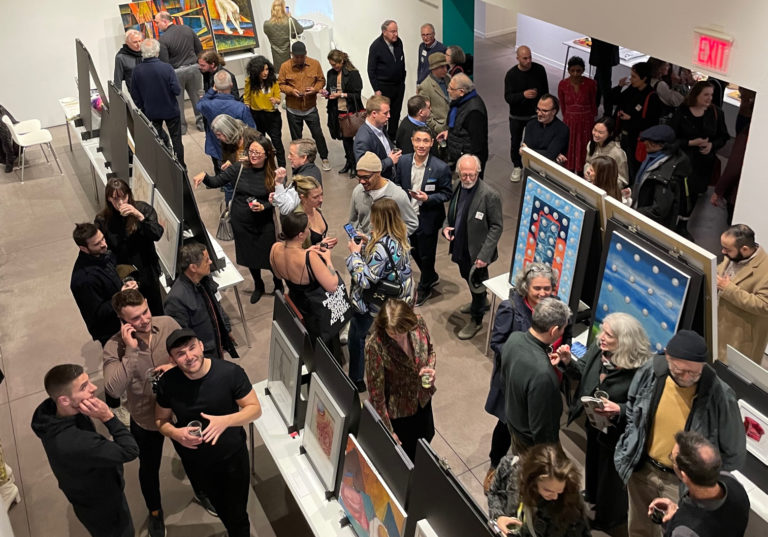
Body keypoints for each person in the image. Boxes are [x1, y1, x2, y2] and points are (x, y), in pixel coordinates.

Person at [614, 330, 746, 537]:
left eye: (694, 373)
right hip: (641, 470)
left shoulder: (720, 394)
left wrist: (700, 479)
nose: (686, 377)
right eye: (679, 370)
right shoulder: (652, 371)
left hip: (681, 484)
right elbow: (632, 408)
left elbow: (735, 455)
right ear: (667, 358)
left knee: (674, 531)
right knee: (638, 527)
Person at [156, 329, 262, 537]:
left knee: (237, 514)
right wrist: (176, 433)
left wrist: (226, 421)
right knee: (220, 506)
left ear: (202, 345)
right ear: (172, 358)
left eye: (192, 348)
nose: (189, 356)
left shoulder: (230, 373)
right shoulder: (168, 383)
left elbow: (254, 409)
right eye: (180, 353)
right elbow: (161, 420)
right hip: (197, 461)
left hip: (232, 458)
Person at [557, 313, 652, 535]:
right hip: (594, 425)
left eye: (608, 334)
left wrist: (619, 409)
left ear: (624, 341)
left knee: (611, 479)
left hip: (619, 437)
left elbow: (644, 409)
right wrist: (568, 362)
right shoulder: (598, 350)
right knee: (592, 464)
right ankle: (591, 498)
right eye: (603, 331)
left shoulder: (642, 371)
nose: (601, 337)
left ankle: (608, 520)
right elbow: (581, 370)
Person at [103, 289, 181, 537]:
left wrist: (174, 365)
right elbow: (113, 389)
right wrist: (131, 351)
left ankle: (201, 491)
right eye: (135, 318)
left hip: (178, 410)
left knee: (191, 454)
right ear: (122, 321)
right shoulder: (114, 347)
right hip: (146, 418)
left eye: (145, 311)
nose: (144, 320)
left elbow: (192, 351)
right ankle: (155, 512)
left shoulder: (167, 324)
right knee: (149, 469)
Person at [483, 264, 567, 489]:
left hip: (542, 374)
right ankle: (494, 465)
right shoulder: (510, 308)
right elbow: (498, 343)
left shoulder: (555, 308)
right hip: (513, 377)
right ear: (525, 287)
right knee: (506, 424)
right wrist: (528, 358)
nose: (542, 293)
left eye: (547, 288)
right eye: (537, 288)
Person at [32, 364, 139, 537]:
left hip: (85, 492)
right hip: (103, 505)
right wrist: (108, 417)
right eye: (84, 387)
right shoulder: (76, 442)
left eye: (88, 381)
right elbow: (130, 450)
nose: (94, 388)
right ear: (64, 400)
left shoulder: (51, 412)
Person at [193, 131, 282, 304]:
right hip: (241, 222)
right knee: (249, 256)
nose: (253, 155)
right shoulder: (239, 168)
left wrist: (264, 206)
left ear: (267, 155)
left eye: (258, 153)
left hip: (263, 224)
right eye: (251, 151)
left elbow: (277, 199)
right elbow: (216, 181)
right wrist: (204, 176)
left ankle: (278, 284)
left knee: (271, 257)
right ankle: (258, 285)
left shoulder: (272, 174)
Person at [346, 198, 414, 393]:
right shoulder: (402, 237)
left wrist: (355, 255)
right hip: (394, 299)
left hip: (373, 303)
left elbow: (366, 280)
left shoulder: (379, 250)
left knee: (357, 336)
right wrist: (369, 242)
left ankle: (357, 378)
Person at [365, 299, 436, 460]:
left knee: (427, 438)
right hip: (400, 414)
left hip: (423, 400)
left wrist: (430, 367)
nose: (397, 337)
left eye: (401, 331)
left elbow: (430, 351)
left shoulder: (418, 324)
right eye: (392, 333)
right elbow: (377, 395)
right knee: (407, 457)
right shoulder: (375, 347)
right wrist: (388, 431)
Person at [270, 212, 346, 360]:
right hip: (315, 310)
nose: (309, 231)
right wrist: (328, 259)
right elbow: (333, 285)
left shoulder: (275, 248)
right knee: (325, 347)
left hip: (295, 302)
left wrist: (309, 250)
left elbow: (278, 275)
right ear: (300, 235)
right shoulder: (308, 258)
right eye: (307, 229)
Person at [442, 155, 503, 339]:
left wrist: (484, 256)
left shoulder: (489, 195)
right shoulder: (458, 187)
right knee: (466, 276)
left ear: (478, 172)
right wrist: (446, 227)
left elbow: (496, 226)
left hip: (478, 252)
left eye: (471, 175)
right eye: (464, 175)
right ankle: (480, 301)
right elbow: (452, 212)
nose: (467, 179)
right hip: (461, 246)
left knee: (477, 283)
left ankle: (476, 319)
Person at [500, 298, 572, 453]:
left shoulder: (514, 339)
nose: (563, 333)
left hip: (514, 426)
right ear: (553, 331)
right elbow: (543, 430)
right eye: (562, 329)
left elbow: (504, 381)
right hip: (532, 447)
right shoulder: (544, 375)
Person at [648, 431, 750, 537]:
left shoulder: (685, 531)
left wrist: (672, 524)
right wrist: (677, 514)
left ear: (685, 476)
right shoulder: (733, 482)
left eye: (672, 459)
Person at [394, 126, 452, 306]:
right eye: (418, 140)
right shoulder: (403, 162)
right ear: (412, 141)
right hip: (405, 219)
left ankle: (426, 284)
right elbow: (396, 185)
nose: (421, 145)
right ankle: (431, 275)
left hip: (427, 219)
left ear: (432, 143)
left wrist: (429, 198)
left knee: (427, 255)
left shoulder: (440, 167)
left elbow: (447, 193)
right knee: (411, 251)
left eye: (425, 141)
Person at [486, 444, 590, 537]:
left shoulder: (571, 501)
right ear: (532, 482)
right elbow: (494, 493)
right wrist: (499, 516)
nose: (555, 497)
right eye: (548, 490)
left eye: (559, 491)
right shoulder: (509, 467)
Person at [95, 178, 165, 316]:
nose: (121, 203)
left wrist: (139, 216)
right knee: (132, 313)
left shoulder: (143, 209)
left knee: (155, 309)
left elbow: (157, 234)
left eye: (123, 197)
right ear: (109, 199)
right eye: (115, 199)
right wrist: (124, 279)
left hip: (147, 269)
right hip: (124, 273)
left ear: (129, 195)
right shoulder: (103, 219)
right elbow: (104, 252)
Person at [164, 242, 238, 361]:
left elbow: (216, 305)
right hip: (203, 356)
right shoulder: (176, 300)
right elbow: (180, 337)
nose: (211, 262)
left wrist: (226, 329)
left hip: (216, 347)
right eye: (206, 260)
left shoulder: (204, 280)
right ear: (193, 267)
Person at [70, 222, 137, 346]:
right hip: (111, 332)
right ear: (83, 248)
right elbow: (98, 313)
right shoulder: (84, 280)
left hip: (123, 318)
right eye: (97, 244)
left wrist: (125, 284)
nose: (104, 244)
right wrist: (122, 296)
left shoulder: (100, 255)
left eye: (103, 239)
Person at [717, 224, 768, 364]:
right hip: (721, 327)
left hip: (742, 339)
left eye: (727, 249)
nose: (723, 252)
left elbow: (764, 306)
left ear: (744, 249)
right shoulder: (734, 256)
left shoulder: (766, 270)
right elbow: (722, 272)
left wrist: (728, 289)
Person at [669, 81, 729, 200]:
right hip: (683, 162)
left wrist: (712, 145)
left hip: (704, 165)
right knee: (681, 195)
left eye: (711, 95)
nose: (709, 98)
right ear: (696, 94)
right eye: (706, 94)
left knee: (697, 195)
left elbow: (723, 136)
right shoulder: (682, 111)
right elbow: (671, 137)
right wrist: (690, 143)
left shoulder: (716, 113)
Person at [277, 41, 331, 171]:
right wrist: (291, 91)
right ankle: (300, 162)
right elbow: (280, 84)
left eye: (302, 56)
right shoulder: (285, 66)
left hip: (310, 107)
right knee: (297, 139)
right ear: (292, 55)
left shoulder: (315, 64)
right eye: (297, 57)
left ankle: (324, 158)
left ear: (306, 54)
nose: (300, 59)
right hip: (293, 109)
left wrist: (315, 89)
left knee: (318, 134)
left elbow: (321, 80)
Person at [130, 38, 184, 166]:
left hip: (151, 112)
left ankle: (164, 163)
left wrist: (143, 107)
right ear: (157, 52)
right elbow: (177, 90)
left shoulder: (137, 71)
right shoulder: (167, 68)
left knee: (157, 139)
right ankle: (180, 165)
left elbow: (134, 93)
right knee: (176, 140)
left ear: (142, 52)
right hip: (171, 110)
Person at [632, 125, 692, 231]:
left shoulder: (666, 175)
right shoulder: (654, 158)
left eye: (647, 145)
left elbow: (659, 210)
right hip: (641, 215)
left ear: (658, 145)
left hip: (650, 226)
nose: (645, 149)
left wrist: (633, 213)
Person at [196, 71, 256, 175]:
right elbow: (252, 130)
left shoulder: (208, 105)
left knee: (226, 178)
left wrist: (211, 91)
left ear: (215, 85)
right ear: (231, 84)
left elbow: (200, 104)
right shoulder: (240, 108)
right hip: (237, 151)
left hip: (217, 149)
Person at [505, 45, 550, 182]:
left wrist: (543, 110)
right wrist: (523, 95)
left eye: (530, 57)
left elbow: (545, 92)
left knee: (535, 143)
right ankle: (517, 166)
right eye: (525, 58)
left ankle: (534, 168)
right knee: (516, 142)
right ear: (518, 58)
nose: (529, 60)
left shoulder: (539, 70)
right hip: (517, 117)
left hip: (534, 116)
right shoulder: (511, 75)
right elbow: (508, 98)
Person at [154, 11, 204, 133]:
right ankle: (202, 124)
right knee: (198, 98)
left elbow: (165, 63)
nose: (156, 25)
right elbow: (200, 49)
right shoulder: (187, 29)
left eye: (157, 22)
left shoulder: (163, 39)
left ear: (165, 21)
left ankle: (182, 128)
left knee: (178, 102)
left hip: (176, 73)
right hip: (194, 69)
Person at [611, 61, 663, 179]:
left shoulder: (652, 97)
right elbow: (615, 100)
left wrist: (631, 119)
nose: (631, 79)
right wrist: (619, 87)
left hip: (637, 140)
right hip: (623, 134)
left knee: (633, 168)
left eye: (634, 77)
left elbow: (651, 123)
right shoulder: (632, 89)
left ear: (644, 78)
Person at [348, 151, 418, 236]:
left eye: (366, 177)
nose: (361, 181)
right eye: (359, 177)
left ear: (378, 172)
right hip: (364, 248)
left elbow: (412, 224)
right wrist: (354, 239)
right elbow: (352, 222)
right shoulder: (358, 191)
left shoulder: (398, 196)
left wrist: (388, 240)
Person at [435, 74, 489, 173]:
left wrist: (471, 167)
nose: (448, 90)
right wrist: (449, 132)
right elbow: (459, 124)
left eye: (451, 88)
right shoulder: (460, 102)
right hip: (457, 155)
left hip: (467, 163)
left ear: (461, 92)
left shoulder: (474, 111)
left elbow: (477, 145)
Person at [324, 49, 364, 176]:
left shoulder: (353, 74)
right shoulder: (331, 73)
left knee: (353, 139)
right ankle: (349, 162)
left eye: (335, 64)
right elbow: (330, 89)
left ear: (341, 61)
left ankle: (356, 164)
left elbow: (357, 95)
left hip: (351, 111)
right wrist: (326, 93)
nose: (333, 67)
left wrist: (341, 94)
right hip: (337, 111)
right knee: (345, 139)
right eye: (331, 65)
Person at [243, 55, 286, 168]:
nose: (265, 72)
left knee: (277, 142)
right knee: (261, 143)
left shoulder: (273, 81)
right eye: (262, 70)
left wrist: (275, 100)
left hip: (272, 116)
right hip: (257, 116)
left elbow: (278, 97)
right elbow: (246, 98)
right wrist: (246, 107)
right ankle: (268, 167)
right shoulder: (249, 82)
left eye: (267, 69)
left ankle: (282, 167)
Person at [368, 20, 406, 140]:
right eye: (393, 31)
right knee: (383, 115)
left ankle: (392, 138)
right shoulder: (376, 47)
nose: (396, 34)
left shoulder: (398, 42)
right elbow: (371, 70)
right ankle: (382, 139)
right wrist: (377, 89)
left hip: (398, 86)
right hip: (384, 87)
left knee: (396, 114)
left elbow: (401, 62)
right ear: (384, 32)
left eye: (396, 31)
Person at [557, 56, 597, 174]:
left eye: (578, 71)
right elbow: (562, 105)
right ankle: (568, 173)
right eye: (572, 70)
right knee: (569, 147)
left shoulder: (591, 84)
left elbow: (593, 103)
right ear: (568, 70)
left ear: (583, 70)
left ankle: (582, 173)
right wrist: (567, 119)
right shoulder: (562, 84)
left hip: (586, 122)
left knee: (583, 148)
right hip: (569, 122)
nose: (575, 73)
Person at [353, 94, 402, 180]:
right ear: (374, 114)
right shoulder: (363, 139)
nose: (389, 116)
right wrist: (390, 161)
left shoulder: (380, 126)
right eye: (385, 113)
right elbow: (365, 170)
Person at [521, 94, 569, 167]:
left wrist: (527, 150)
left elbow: (548, 157)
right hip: (531, 167)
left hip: (551, 170)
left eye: (544, 111)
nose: (539, 114)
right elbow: (526, 151)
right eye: (538, 109)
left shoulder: (562, 129)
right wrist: (551, 154)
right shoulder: (531, 124)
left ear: (554, 112)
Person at [584, 116, 629, 187]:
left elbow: (623, 180)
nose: (595, 134)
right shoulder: (591, 144)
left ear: (610, 134)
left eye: (600, 132)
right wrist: (587, 171)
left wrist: (602, 182)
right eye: (594, 130)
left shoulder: (618, 153)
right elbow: (588, 162)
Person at [262, 0, 303, 72]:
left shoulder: (266, 24)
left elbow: (267, 33)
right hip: (289, 58)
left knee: (281, 79)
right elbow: (300, 30)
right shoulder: (289, 22)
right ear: (284, 9)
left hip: (277, 61)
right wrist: (290, 17)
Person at [417, 52, 451, 136]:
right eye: (442, 67)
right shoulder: (425, 86)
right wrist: (436, 127)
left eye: (446, 66)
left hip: (451, 126)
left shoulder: (449, 78)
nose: (445, 70)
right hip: (438, 131)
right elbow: (424, 112)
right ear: (434, 68)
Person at [589, 38, 619, 115]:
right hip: (602, 53)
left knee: (605, 86)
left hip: (604, 54)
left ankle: (607, 114)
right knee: (599, 82)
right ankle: (595, 108)